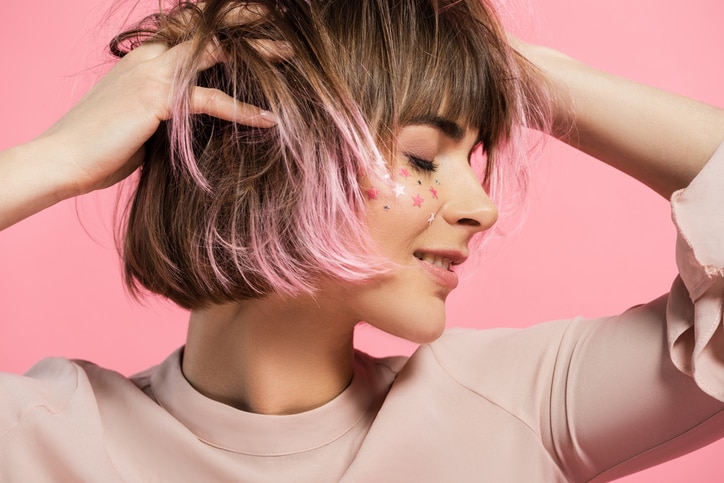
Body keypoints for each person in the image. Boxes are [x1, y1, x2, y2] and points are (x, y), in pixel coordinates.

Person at [1, 0, 723, 481]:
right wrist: (57, 158)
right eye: (422, 155)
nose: (481, 208)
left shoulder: (513, 406)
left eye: (473, 158)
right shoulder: (43, 438)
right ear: (265, 157)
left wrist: (518, 69)